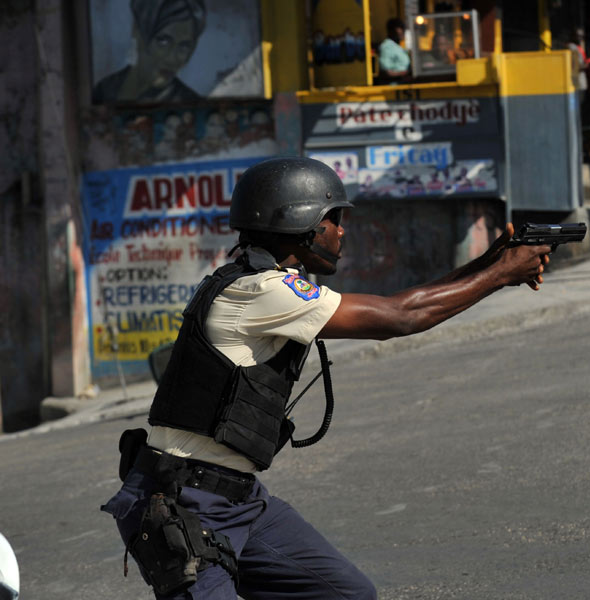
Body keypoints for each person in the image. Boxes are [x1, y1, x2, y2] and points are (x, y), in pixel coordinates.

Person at [100, 157, 552, 599]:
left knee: (346, 592)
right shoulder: (262, 291)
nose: (341, 231)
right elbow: (400, 316)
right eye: (333, 219)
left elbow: (408, 304)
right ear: (302, 225)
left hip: (239, 498)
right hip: (185, 504)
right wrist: (498, 273)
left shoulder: (256, 280)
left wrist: (491, 264)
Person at [93, 0, 206, 103]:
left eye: (183, 46)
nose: (172, 58)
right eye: (163, 41)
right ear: (137, 31)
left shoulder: (191, 104)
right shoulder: (104, 90)